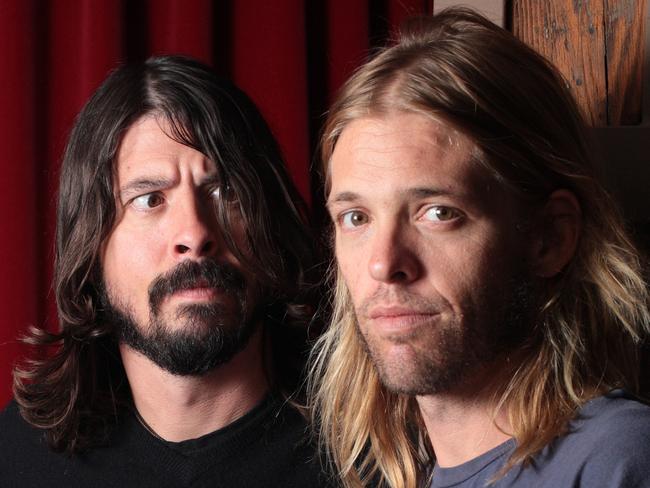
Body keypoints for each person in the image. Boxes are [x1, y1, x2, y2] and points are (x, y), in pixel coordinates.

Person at [308, 8, 650, 488]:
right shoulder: (395, 473)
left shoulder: (618, 459)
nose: (384, 263)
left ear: (549, 237)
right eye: (356, 218)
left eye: (438, 212)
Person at [0, 55, 332, 487]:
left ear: (269, 220)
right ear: (91, 246)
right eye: (150, 199)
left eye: (223, 192)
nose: (194, 233)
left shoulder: (371, 451)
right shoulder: (16, 459)